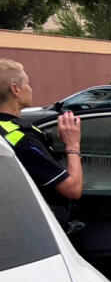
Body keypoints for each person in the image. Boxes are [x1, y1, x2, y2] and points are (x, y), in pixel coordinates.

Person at [0, 59, 83, 205]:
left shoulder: (7, 130)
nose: (31, 89)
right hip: (39, 223)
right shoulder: (22, 140)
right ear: (15, 89)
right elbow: (73, 189)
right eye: (28, 83)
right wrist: (72, 145)